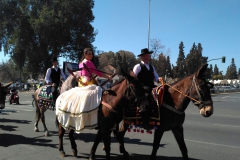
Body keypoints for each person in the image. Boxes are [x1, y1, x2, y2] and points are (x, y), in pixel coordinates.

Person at [55, 48, 112, 132]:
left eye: (91, 54)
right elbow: (98, 73)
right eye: (89, 54)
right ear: (85, 54)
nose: (91, 55)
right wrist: (108, 77)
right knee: (101, 91)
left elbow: (82, 74)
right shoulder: (89, 62)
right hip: (88, 82)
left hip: (81, 83)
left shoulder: (81, 63)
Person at [133, 48, 162, 130]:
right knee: (147, 96)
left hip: (152, 86)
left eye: (147, 55)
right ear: (141, 57)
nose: (146, 57)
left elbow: (156, 77)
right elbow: (133, 78)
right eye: (145, 56)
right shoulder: (138, 66)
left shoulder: (152, 67)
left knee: (161, 94)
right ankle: (145, 120)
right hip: (142, 88)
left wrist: (160, 79)